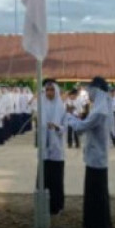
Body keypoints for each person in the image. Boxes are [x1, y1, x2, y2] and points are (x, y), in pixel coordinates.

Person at [66, 76, 114, 228]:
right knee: (99, 194)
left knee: (96, 195)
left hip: (96, 159)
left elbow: (81, 127)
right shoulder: (100, 108)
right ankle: (102, 226)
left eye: (91, 91)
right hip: (97, 157)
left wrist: (68, 118)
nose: (89, 95)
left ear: (97, 91)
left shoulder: (99, 111)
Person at [41, 81, 66, 215]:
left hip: (56, 147)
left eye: (51, 90)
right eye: (47, 90)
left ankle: (56, 205)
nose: (49, 93)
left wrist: (56, 127)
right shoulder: (42, 106)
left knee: (56, 178)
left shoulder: (61, 107)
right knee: (44, 176)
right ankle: (43, 204)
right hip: (44, 149)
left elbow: (65, 127)